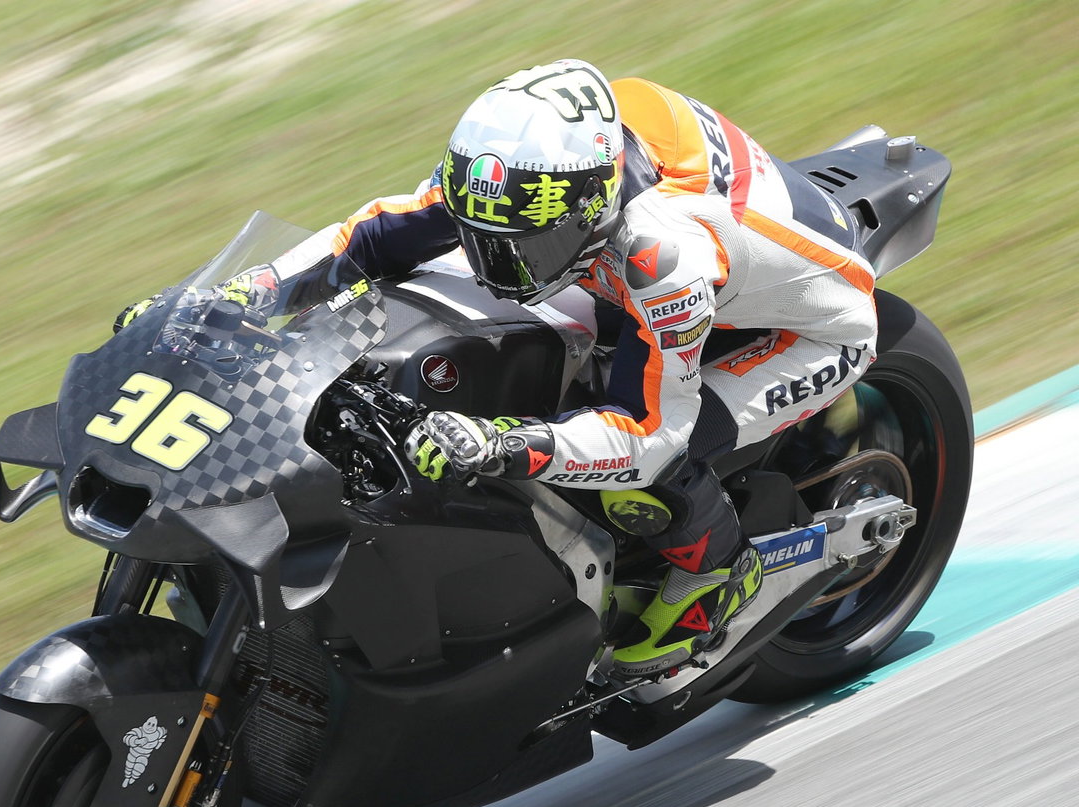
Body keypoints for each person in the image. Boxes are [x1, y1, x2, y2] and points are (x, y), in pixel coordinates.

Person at [120, 59, 878, 679]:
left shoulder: (661, 257)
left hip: (808, 325)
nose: (495, 264)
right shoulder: (520, 179)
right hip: (677, 253)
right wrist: (237, 297)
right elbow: (372, 236)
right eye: (483, 237)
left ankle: (719, 577)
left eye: (524, 247)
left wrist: (505, 444)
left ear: (592, 210)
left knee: (632, 467)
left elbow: (651, 432)